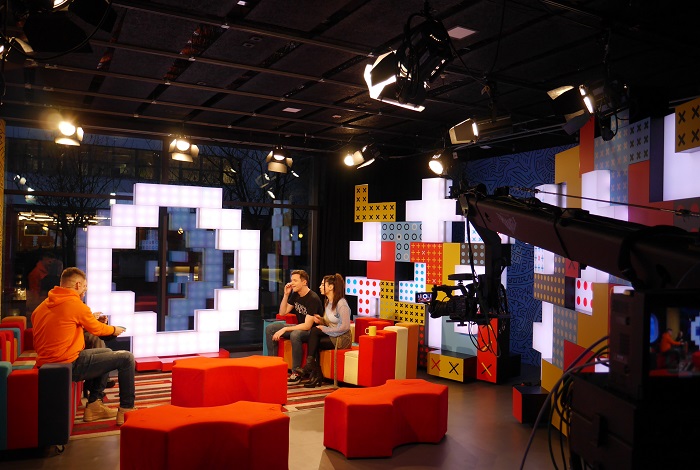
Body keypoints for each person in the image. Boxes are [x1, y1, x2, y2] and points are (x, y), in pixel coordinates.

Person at [31, 267, 136, 425]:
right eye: (85, 286)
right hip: (67, 364)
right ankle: (126, 410)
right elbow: (98, 330)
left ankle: (94, 404)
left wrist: (90, 321)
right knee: (127, 358)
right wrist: (115, 329)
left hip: (47, 363)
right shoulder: (75, 304)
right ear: (78, 285)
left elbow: (63, 328)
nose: (85, 290)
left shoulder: (42, 306)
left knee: (106, 352)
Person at [265, 270, 323, 384]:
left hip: (312, 332)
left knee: (295, 334)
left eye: (295, 281)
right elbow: (282, 312)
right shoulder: (296, 294)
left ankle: (296, 372)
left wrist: (285, 329)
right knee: (270, 328)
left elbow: (307, 326)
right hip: (300, 327)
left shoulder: (313, 298)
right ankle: (273, 366)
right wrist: (286, 294)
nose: (292, 283)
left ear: (304, 282)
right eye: (292, 280)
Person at [302, 273, 352, 388]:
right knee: (314, 341)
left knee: (315, 332)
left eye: (322, 284)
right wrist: (321, 320)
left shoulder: (341, 304)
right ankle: (316, 374)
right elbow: (332, 323)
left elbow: (345, 327)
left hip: (342, 338)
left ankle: (311, 368)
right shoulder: (327, 302)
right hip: (333, 335)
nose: (320, 287)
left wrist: (324, 328)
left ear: (331, 287)